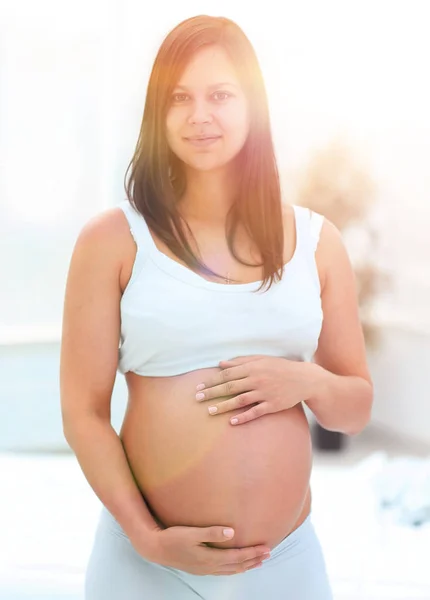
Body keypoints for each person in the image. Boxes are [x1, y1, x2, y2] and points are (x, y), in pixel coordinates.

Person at [60, 14, 373, 600]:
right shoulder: (111, 241)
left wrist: (303, 380)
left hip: (284, 565)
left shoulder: (316, 242)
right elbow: (83, 413)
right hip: (146, 566)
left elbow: (354, 409)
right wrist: (147, 537)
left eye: (221, 95)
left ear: (254, 106)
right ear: (159, 115)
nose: (200, 115)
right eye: (179, 98)